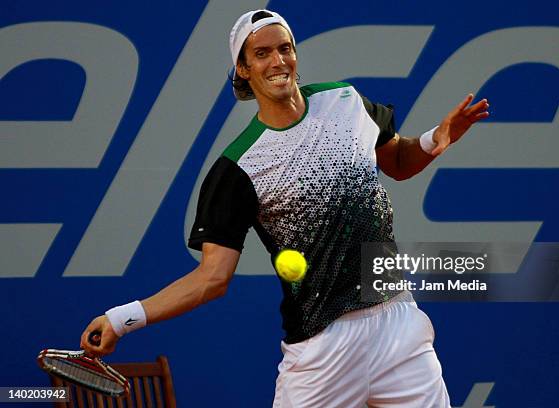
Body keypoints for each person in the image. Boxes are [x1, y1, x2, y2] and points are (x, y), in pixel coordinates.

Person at [81, 9, 489, 407]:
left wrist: (439, 137)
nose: (278, 61)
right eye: (261, 54)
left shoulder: (345, 101)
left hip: (398, 323)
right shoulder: (238, 168)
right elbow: (211, 279)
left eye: (285, 49)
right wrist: (122, 318)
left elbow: (398, 161)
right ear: (242, 69)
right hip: (322, 349)